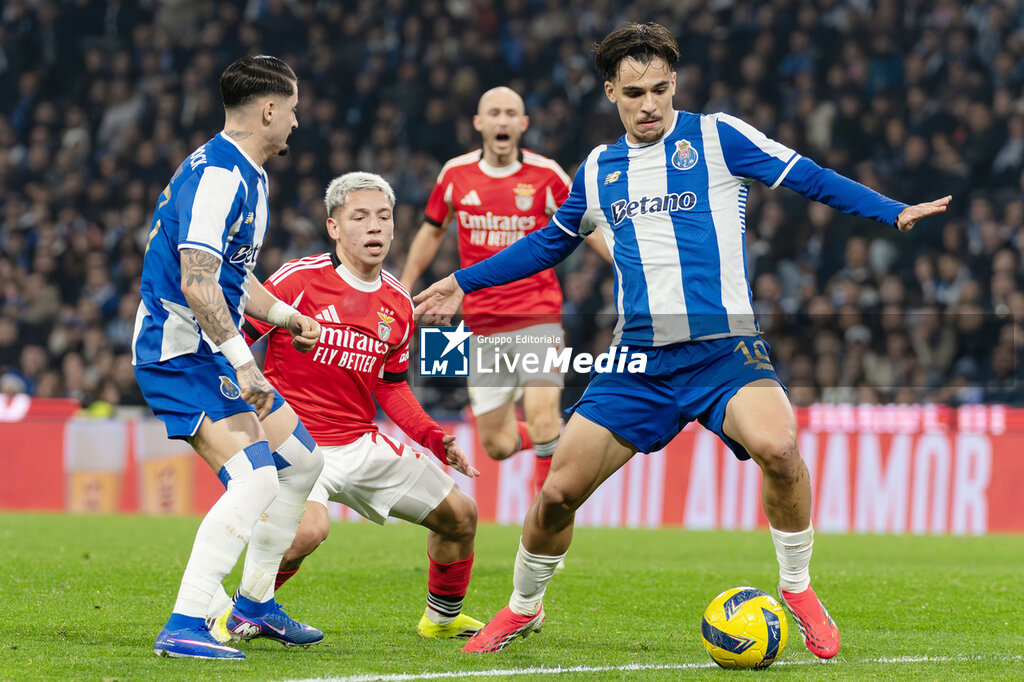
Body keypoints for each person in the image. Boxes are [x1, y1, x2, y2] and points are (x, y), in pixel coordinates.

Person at [414, 23, 951, 658]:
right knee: (558, 492)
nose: (649, 105)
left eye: (661, 89)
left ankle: (799, 589)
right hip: (637, 359)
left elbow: (807, 175)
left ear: (676, 85)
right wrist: (461, 282)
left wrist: (890, 210)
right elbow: (546, 244)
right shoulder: (597, 169)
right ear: (611, 91)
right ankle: (522, 607)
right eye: (635, 92)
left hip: (724, 350)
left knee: (780, 446)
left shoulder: (718, 136)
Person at [226, 171, 484, 640]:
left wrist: (432, 437)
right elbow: (234, 346)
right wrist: (251, 415)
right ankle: (242, 612)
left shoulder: (398, 303)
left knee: (461, 516)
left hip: (360, 442)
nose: (375, 228)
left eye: (384, 217)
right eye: (360, 217)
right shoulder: (297, 280)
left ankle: (441, 620)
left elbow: (391, 386)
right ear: (334, 227)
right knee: (306, 532)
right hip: (298, 445)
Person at [132, 55, 326, 660]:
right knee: (255, 477)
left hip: (208, 349)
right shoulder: (220, 177)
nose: (296, 122)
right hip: (180, 353)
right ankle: (185, 623)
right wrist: (244, 363)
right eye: (292, 110)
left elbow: (232, 279)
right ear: (269, 109)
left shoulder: (248, 173)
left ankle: (254, 606)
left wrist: (284, 315)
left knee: (301, 462)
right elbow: (197, 282)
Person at [401, 87, 609, 498]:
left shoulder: (547, 175)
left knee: (542, 414)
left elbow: (588, 225)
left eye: (510, 113)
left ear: (523, 124)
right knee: (495, 445)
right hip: (479, 325)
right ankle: (561, 437)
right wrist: (405, 284)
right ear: (479, 123)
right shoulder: (455, 174)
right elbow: (432, 229)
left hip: (538, 314)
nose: (502, 121)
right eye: (493, 113)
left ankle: (543, 514)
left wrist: (627, 265)